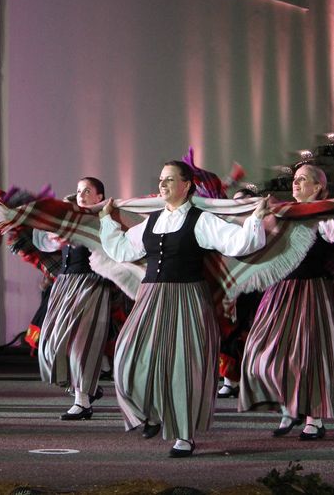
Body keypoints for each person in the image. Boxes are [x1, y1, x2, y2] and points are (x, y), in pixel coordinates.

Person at [97, 161, 270, 458]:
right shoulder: (151, 221)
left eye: (169, 179)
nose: (162, 185)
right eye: (161, 179)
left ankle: (184, 435)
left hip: (188, 297)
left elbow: (238, 243)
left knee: (183, 367)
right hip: (151, 298)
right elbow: (122, 250)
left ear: (186, 184)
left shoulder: (201, 220)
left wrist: (255, 217)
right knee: (128, 355)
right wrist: (107, 220)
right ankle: (150, 410)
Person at [238, 165, 334, 440]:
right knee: (261, 352)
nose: (296, 183)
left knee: (309, 356)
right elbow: (253, 243)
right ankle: (289, 406)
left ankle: (313, 419)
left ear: (317, 187)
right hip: (278, 292)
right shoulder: (282, 214)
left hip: (310, 291)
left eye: (303, 179)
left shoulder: (324, 217)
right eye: (294, 179)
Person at [25, 177, 116, 420]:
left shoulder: (101, 222)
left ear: (99, 197)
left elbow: (114, 248)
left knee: (80, 345)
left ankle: (82, 401)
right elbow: (45, 239)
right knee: (51, 342)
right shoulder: (70, 222)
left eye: (87, 191)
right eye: (78, 191)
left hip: (89, 285)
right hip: (65, 285)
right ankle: (86, 391)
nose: (81, 195)